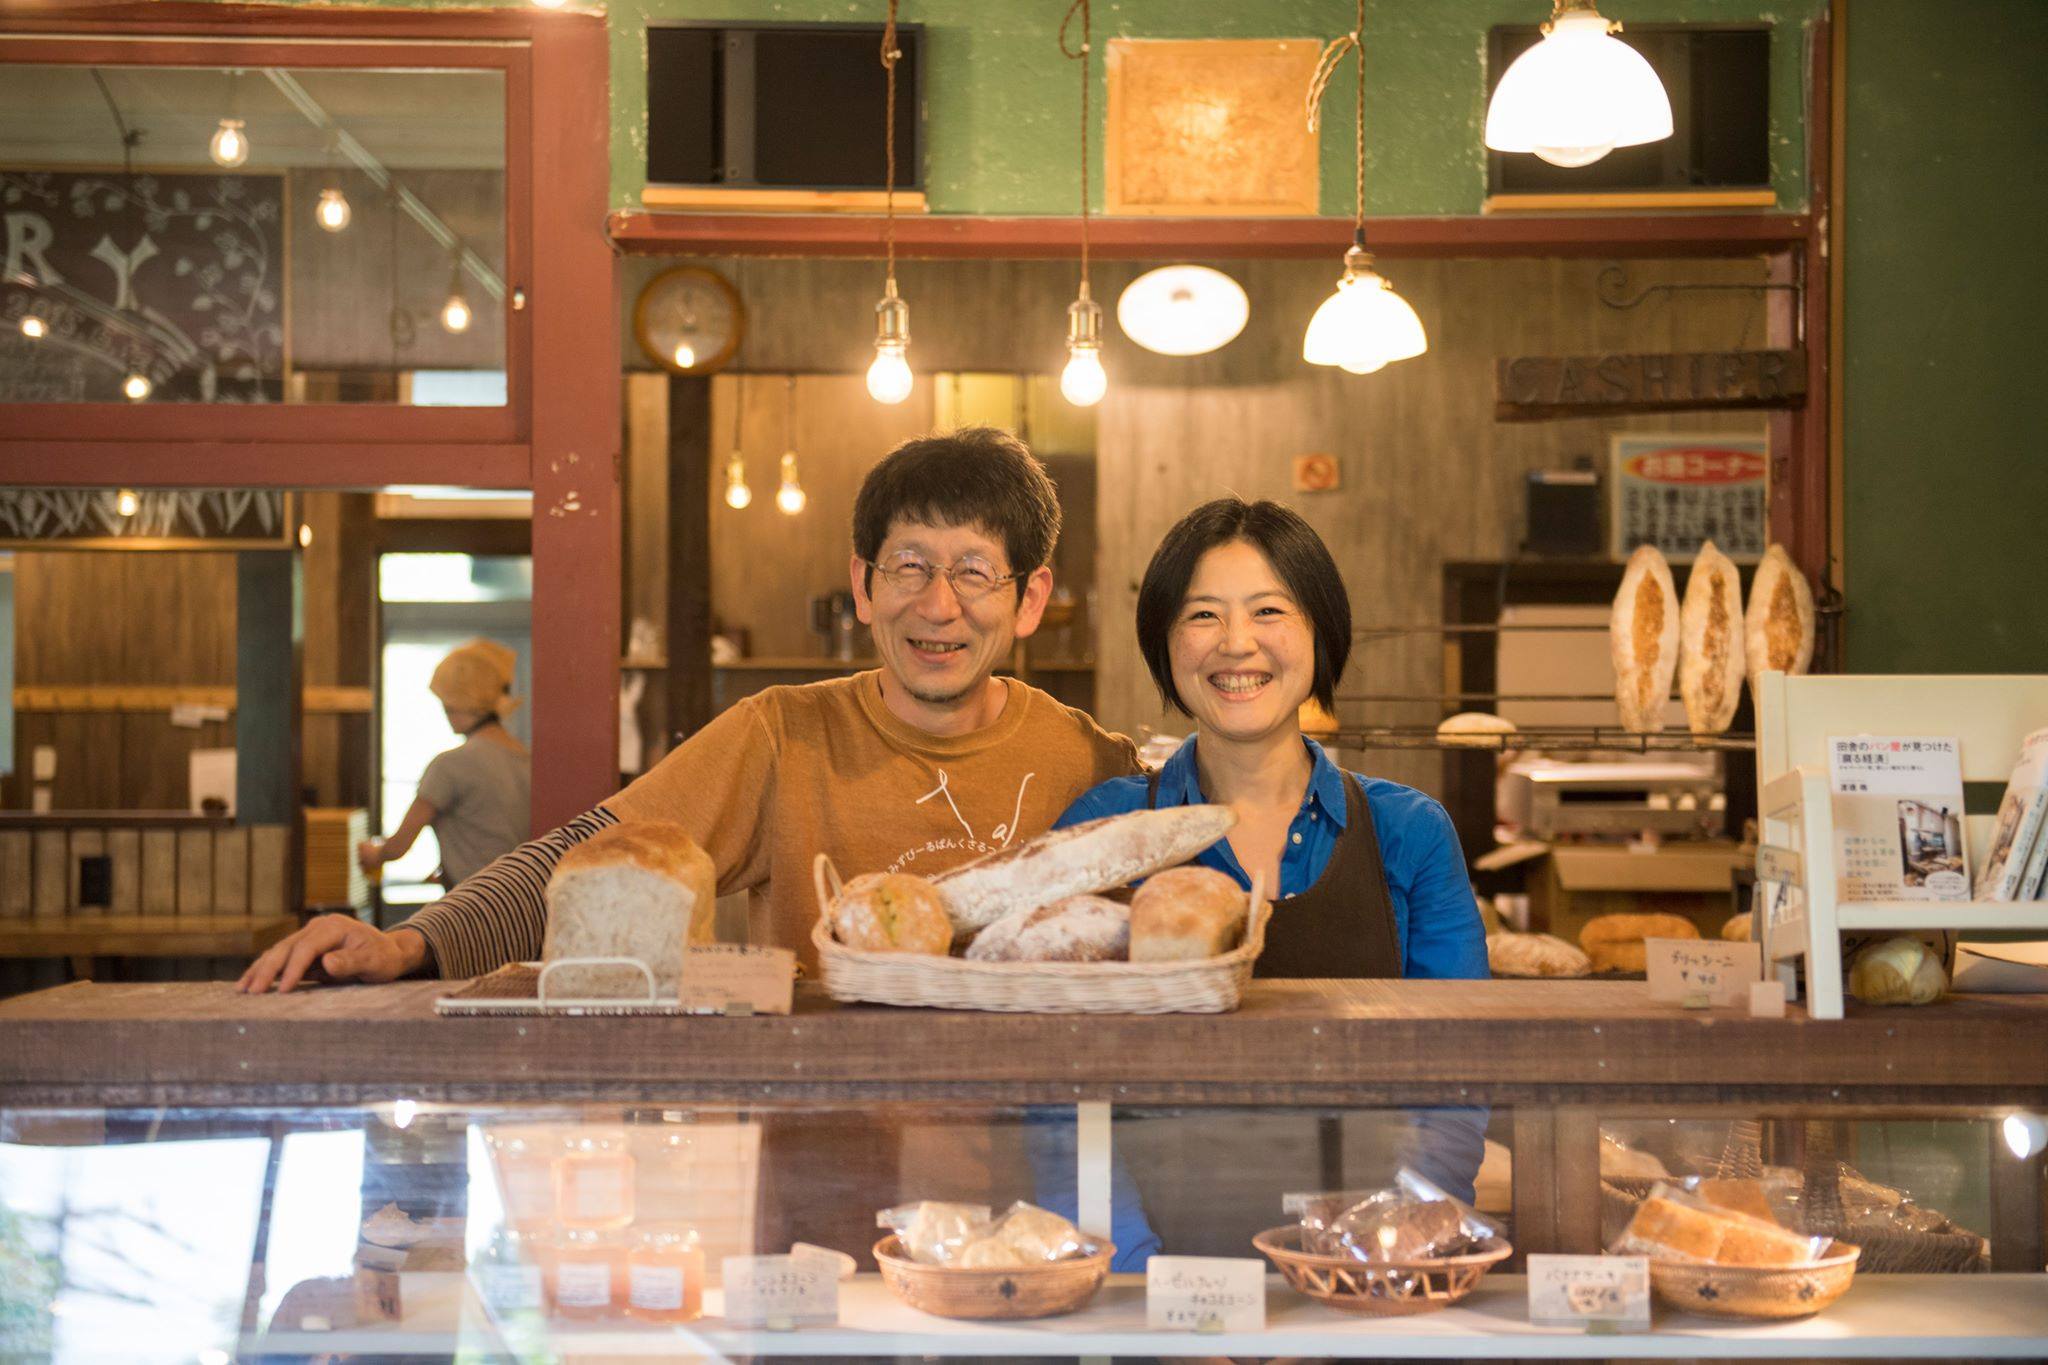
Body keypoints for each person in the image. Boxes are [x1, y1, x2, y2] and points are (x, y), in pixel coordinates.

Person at [238, 424, 1139, 989]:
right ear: (863, 585)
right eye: (909, 566)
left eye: (974, 571)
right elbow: (585, 861)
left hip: (1040, 1174)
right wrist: (416, 942)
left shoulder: (1088, 761)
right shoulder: (783, 735)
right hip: (814, 1185)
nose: (938, 606)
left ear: (1028, 597)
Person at [1052, 497, 1488, 1256]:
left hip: (1369, 1281)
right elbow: (1056, 1090)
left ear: (1320, 633)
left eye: (1268, 611)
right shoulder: (1104, 832)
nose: (1236, 644)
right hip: (1155, 1289)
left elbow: (1456, 1080)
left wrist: (1387, 1255)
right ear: (1164, 639)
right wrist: (1136, 1278)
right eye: (1201, 616)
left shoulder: (1409, 832)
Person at [358, 638, 530, 889]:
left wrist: (374, 854)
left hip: (473, 907)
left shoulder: (451, 765)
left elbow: (399, 846)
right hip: (521, 902)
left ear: (457, 704)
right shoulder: (526, 759)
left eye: (446, 707)